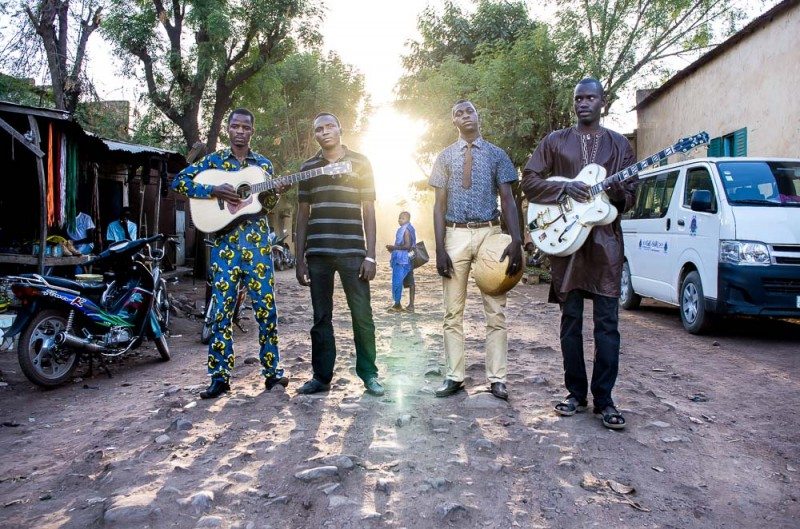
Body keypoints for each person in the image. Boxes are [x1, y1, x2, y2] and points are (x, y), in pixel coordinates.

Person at [521, 78, 636, 430]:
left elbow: (630, 196)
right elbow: (529, 181)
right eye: (578, 98)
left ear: (603, 102)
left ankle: (605, 399)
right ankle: (575, 394)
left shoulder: (619, 145)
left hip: (605, 245)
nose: (584, 103)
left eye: (591, 97)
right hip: (566, 243)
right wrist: (565, 187)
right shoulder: (555, 141)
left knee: (607, 324)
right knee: (570, 322)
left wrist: (617, 194)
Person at [172, 108, 287, 399]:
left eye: (245, 127)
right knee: (221, 312)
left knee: (266, 310)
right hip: (225, 247)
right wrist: (213, 190)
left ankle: (273, 374)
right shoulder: (213, 161)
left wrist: (277, 190)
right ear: (228, 129)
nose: (240, 131)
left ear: (252, 131)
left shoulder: (263, 165)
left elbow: (268, 204)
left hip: (257, 244)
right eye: (235, 126)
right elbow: (179, 182)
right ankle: (220, 378)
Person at [429, 100, 523, 401]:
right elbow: (439, 205)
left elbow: (508, 199)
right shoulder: (444, 157)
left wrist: (517, 240)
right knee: (452, 312)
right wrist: (440, 249)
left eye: (469, 111)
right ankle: (454, 376)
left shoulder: (497, 155)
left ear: (477, 115)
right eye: (458, 113)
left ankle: (497, 379)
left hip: (490, 234)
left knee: (496, 311)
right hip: (455, 235)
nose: (465, 116)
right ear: (453, 121)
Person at [295, 112, 384, 397]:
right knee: (321, 317)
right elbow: (302, 214)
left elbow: (368, 209)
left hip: (352, 252)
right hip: (318, 253)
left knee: (362, 315)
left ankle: (369, 374)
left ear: (340, 129)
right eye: (319, 129)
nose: (325, 132)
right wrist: (299, 259)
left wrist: (370, 255)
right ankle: (321, 377)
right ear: (315, 135)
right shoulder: (308, 168)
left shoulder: (361, 162)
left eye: (330, 126)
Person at [385, 211, 416, 313]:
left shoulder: (406, 230)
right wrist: (394, 249)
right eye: (399, 218)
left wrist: (394, 247)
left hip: (405, 260)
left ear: (408, 219)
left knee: (405, 282)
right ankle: (399, 304)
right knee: (401, 281)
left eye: (402, 218)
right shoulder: (403, 229)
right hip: (402, 259)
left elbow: (407, 246)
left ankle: (408, 305)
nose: (400, 220)